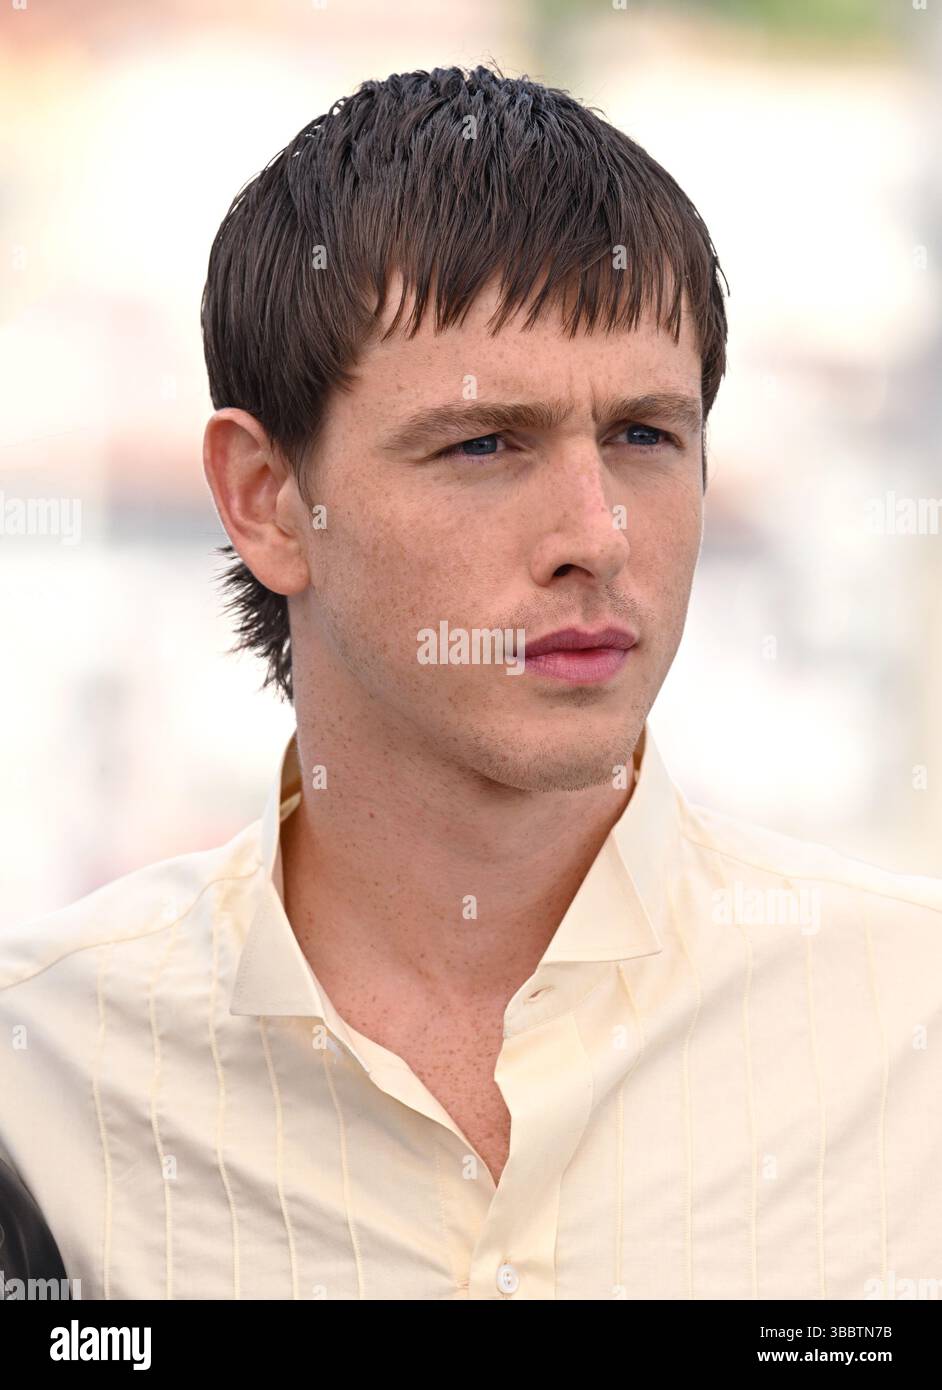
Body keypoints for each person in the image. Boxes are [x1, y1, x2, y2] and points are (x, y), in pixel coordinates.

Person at [2, 63, 940, 1302]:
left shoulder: (910, 1027)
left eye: (645, 436)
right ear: (266, 499)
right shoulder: (46, 1064)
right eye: (485, 442)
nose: (597, 535)